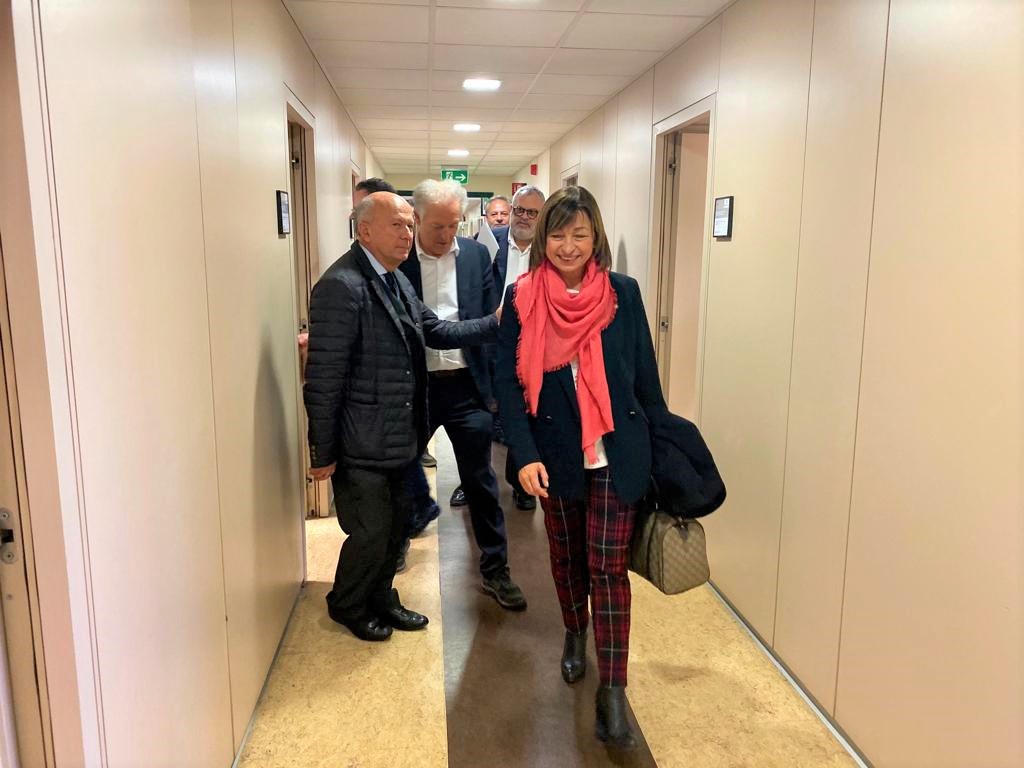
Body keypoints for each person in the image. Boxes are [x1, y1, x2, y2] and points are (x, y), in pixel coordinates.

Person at [495, 186, 667, 749]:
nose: (568, 246)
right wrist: (524, 454)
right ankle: (575, 630)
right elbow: (508, 385)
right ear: (542, 238)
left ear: (596, 238)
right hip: (554, 454)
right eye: (558, 234)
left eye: (580, 234)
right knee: (567, 557)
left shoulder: (623, 293)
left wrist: (659, 447)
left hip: (616, 450)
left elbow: (645, 377)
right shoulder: (521, 298)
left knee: (608, 569)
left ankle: (613, 689)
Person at [304, 192, 498, 641]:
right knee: (370, 532)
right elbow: (324, 377)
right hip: (362, 440)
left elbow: (435, 330)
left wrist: (496, 321)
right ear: (364, 230)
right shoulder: (342, 285)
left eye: (410, 225)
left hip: (398, 435)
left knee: (395, 527)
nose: (407, 235)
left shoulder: (394, 280)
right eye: (397, 225)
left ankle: (381, 596)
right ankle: (347, 603)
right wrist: (322, 452)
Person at [398, 179, 527, 611]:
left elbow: (491, 322)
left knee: (481, 481)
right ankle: (397, 543)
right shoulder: (398, 258)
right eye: (437, 226)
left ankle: (495, 569)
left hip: (466, 385)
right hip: (415, 387)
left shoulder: (474, 255)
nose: (446, 235)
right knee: (400, 472)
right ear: (416, 219)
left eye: (453, 225)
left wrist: (494, 387)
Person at [490, 185, 546, 511]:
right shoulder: (488, 244)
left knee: (525, 410)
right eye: (519, 210)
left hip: (534, 344)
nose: (523, 217)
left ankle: (521, 482)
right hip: (490, 337)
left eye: (532, 212)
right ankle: (474, 483)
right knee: (484, 414)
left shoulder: (549, 248)